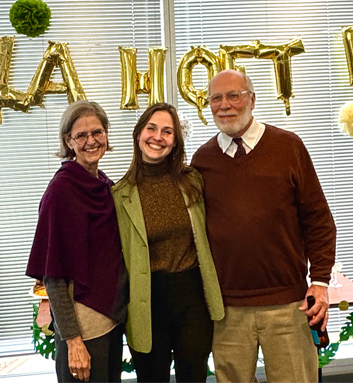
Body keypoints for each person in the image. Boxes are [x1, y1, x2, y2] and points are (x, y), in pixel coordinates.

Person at [191, 70, 336, 383]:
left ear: (252, 99)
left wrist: (320, 282)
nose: (224, 104)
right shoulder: (201, 161)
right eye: (215, 98)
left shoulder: (288, 147)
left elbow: (318, 219)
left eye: (234, 95)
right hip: (226, 311)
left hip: (289, 306)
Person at [112, 102, 224, 383]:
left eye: (167, 132)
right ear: (139, 134)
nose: (157, 137)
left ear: (175, 142)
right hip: (146, 298)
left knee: (194, 376)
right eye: (151, 128)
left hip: (191, 295)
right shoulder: (118, 195)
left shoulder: (193, 182)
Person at [26, 100, 128, 383]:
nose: (91, 141)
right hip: (83, 329)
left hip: (109, 322)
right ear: (68, 141)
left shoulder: (104, 186)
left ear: (106, 134)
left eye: (97, 132)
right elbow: (53, 275)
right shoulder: (61, 191)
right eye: (81, 135)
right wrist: (72, 340)